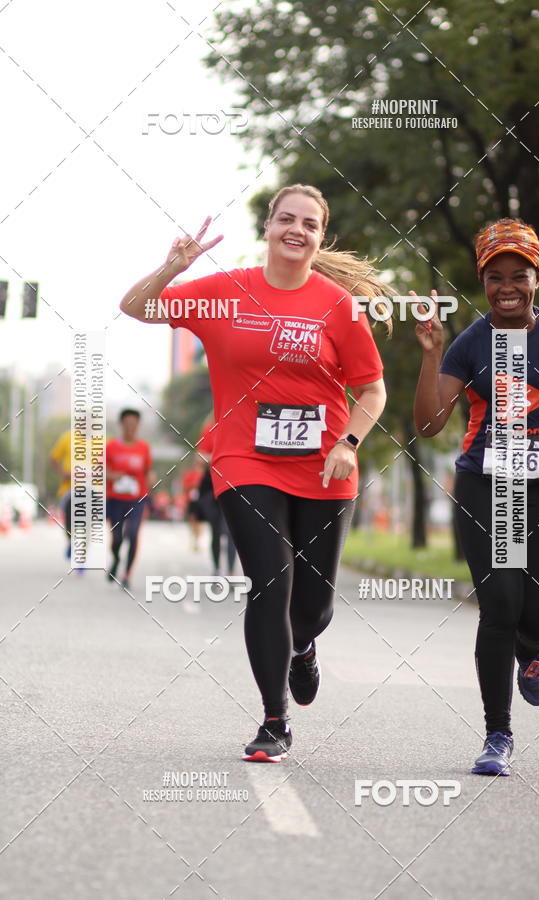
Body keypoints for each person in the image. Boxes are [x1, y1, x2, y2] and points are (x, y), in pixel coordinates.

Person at [119, 183, 389, 761]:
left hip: (324, 466)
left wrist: (348, 441)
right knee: (270, 582)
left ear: (320, 237)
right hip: (245, 460)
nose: (296, 229)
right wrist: (170, 269)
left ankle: (304, 648)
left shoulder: (337, 306)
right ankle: (274, 720)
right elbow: (136, 307)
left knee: (312, 608)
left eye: (309, 223)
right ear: (268, 227)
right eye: (286, 219)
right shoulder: (225, 292)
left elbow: (371, 389)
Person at [413, 218, 539, 776]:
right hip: (486, 486)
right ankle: (498, 734)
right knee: (500, 607)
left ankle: (533, 650)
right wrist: (430, 353)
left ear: (537, 278)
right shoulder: (470, 343)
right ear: (483, 281)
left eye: (519, 275)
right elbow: (428, 425)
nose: (507, 286)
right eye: (495, 277)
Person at [106, 409, 153, 590]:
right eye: (127, 424)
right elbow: (100, 471)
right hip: (115, 498)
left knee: (133, 534)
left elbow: (148, 471)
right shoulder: (111, 447)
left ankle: (127, 574)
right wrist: (113, 476)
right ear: (121, 425)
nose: (130, 428)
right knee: (117, 537)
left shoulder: (143, 448)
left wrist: (149, 489)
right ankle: (116, 559)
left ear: (138, 426)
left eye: (134, 425)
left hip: (137, 498)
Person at [196, 417, 237, 575]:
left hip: (233, 484)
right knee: (216, 531)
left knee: (230, 531)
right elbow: (199, 456)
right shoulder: (210, 428)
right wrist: (218, 459)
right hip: (211, 487)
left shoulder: (238, 426)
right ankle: (217, 569)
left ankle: (231, 572)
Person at [49, 428, 75, 564]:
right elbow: (54, 458)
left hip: (92, 489)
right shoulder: (67, 438)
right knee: (70, 524)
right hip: (69, 489)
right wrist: (63, 472)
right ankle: (72, 541)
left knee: (88, 524)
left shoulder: (101, 441)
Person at [182, 455, 206, 551]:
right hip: (192, 500)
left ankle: (197, 540)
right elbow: (185, 487)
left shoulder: (204, 474)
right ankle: (194, 539)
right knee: (192, 520)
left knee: (200, 522)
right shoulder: (190, 474)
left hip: (201, 500)